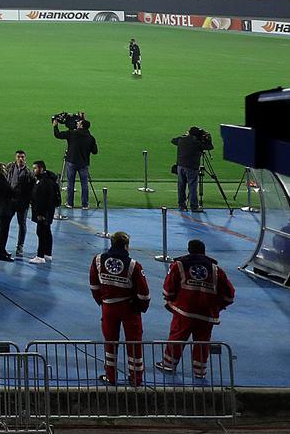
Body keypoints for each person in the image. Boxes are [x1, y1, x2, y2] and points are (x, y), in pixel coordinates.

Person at [157, 239, 235, 378]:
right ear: (204, 251)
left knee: (177, 337)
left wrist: (173, 301)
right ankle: (200, 371)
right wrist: (217, 307)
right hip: (207, 314)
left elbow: (168, 289)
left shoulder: (179, 265)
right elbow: (229, 295)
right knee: (202, 342)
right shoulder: (216, 270)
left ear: (189, 250)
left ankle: (169, 364)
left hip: (184, 311)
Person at [91, 230, 151, 385]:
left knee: (110, 342)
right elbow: (144, 293)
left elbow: (94, 285)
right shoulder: (133, 265)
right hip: (129, 309)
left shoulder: (98, 260)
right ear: (126, 246)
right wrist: (139, 307)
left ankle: (110, 376)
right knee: (134, 343)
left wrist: (102, 301)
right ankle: (136, 378)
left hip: (108, 308)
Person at [54, 114, 99, 209]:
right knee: (84, 184)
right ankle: (85, 204)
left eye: (79, 122)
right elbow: (95, 151)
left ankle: (70, 203)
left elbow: (58, 135)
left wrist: (55, 126)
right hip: (84, 163)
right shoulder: (91, 138)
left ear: (81, 126)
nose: (77, 123)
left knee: (70, 183)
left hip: (71, 161)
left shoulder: (72, 134)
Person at [29, 158, 61, 264]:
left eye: (35, 168)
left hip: (43, 213)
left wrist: (40, 213)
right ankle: (48, 253)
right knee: (47, 232)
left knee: (41, 232)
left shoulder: (43, 182)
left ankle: (40, 256)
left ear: (41, 169)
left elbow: (42, 199)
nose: (33, 171)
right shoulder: (48, 180)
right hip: (48, 212)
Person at [172, 127, 206, 212]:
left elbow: (173, 140)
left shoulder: (181, 140)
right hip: (191, 167)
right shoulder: (197, 143)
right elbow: (209, 147)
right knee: (192, 187)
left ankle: (181, 206)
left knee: (181, 186)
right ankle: (194, 207)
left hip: (180, 166)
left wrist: (185, 136)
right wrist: (207, 139)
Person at [0, 162, 17, 262]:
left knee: (1, 230)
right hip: (5, 209)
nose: (6, 170)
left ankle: (0, 249)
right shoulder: (1, 181)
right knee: (3, 232)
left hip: (0, 208)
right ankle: (1, 252)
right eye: (4, 168)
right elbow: (11, 192)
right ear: (1, 170)